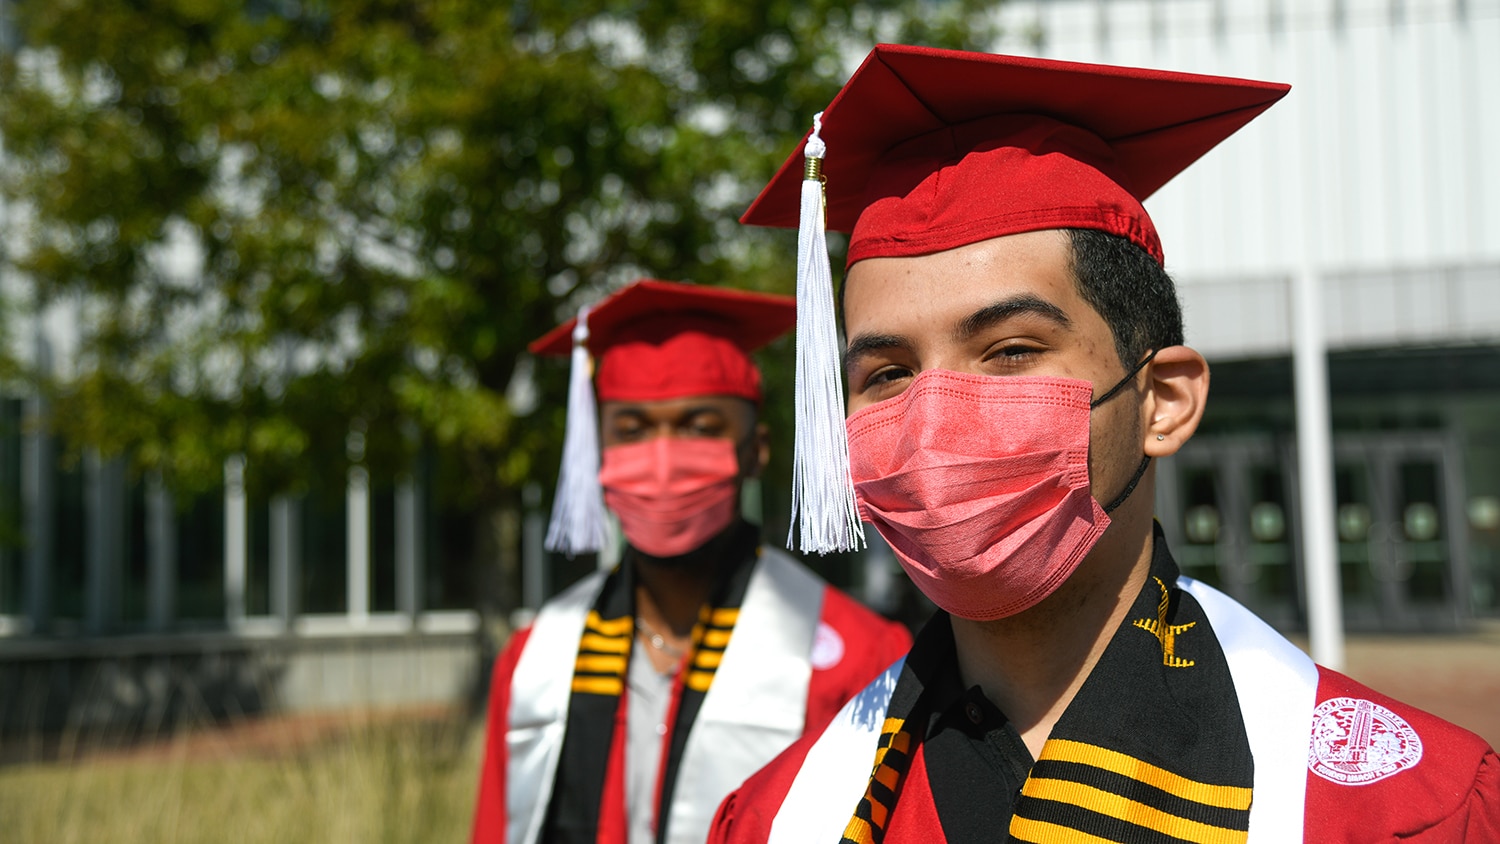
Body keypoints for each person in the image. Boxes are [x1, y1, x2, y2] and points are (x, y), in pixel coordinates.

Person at [708, 45, 1499, 842]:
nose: (930, 416)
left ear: (1163, 400)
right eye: (885, 373)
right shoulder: (784, 814)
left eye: (1012, 351)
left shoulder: (1400, 810)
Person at [471, 279, 913, 844]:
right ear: (596, 452)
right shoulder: (535, 658)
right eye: (631, 431)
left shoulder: (859, 660)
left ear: (755, 450)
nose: (661, 458)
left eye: (699, 428)